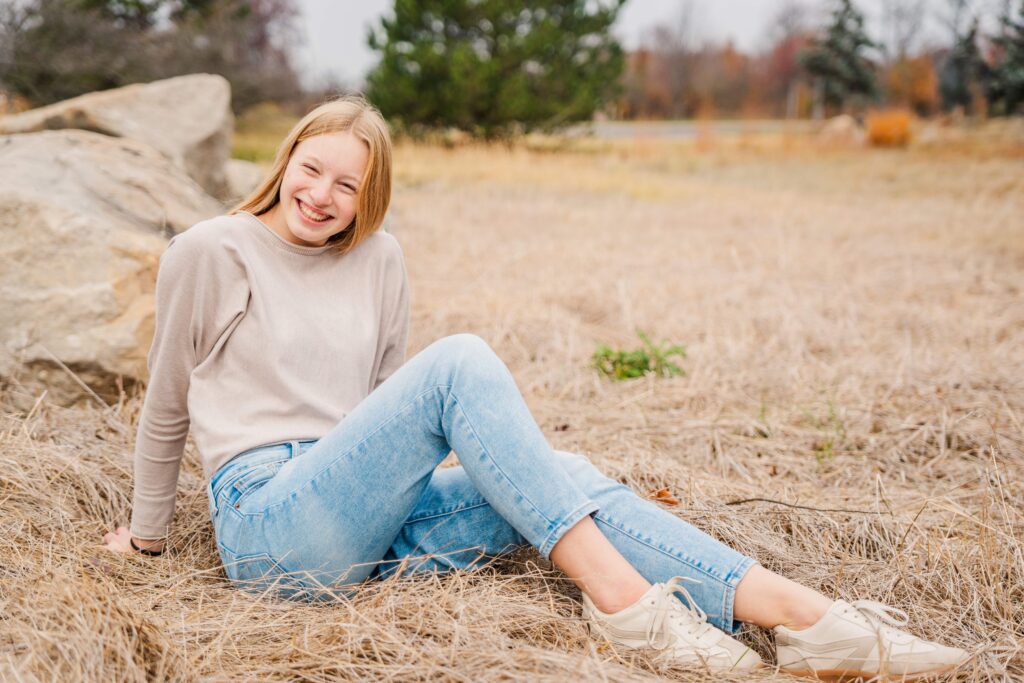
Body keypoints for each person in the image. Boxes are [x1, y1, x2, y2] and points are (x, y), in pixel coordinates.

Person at [103, 95, 969, 678]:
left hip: (363, 512)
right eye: (311, 169)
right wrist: (146, 540)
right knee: (460, 362)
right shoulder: (213, 250)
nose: (321, 195)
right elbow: (168, 402)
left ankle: (809, 620)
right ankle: (628, 606)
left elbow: (376, 415)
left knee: (566, 474)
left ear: (371, 197)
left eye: (347, 184)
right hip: (272, 527)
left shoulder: (380, 260)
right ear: (286, 157)